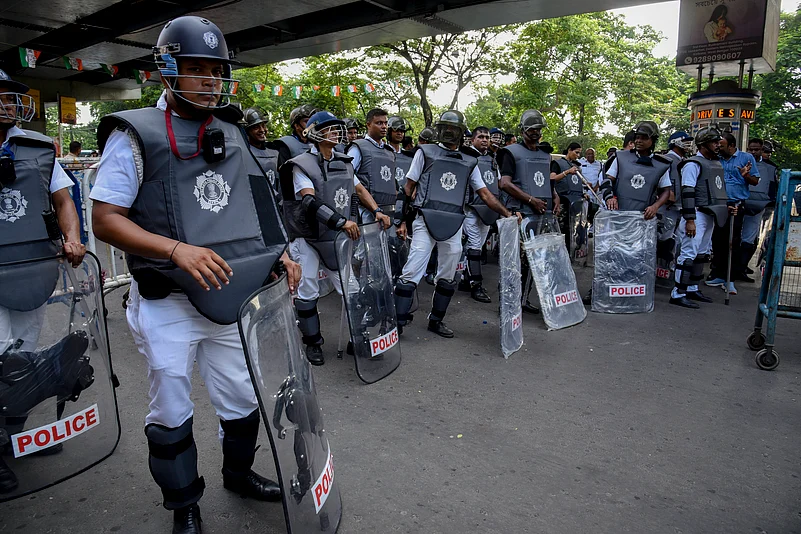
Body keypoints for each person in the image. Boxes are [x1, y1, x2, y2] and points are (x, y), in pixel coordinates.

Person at [90, 17, 302, 533]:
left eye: (216, 70)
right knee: (170, 404)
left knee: (242, 397)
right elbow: (104, 219)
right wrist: (176, 249)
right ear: (167, 70)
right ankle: (183, 503)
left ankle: (237, 473)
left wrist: (281, 256)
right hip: (168, 300)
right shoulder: (135, 134)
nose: (209, 80)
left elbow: (258, 210)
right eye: (196, 69)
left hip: (231, 297)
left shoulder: (231, 131)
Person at [0, 68, 87, 494]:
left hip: (32, 266)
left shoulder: (35, 148)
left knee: (23, 359)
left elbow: (62, 199)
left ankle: (14, 437)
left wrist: (72, 237)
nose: (7, 103)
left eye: (9, 96)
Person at [394, 110, 518, 338]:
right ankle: (397, 323)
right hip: (424, 219)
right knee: (412, 270)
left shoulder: (470, 162)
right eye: (446, 127)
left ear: (461, 132)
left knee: (448, 274)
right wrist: (401, 221)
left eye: (454, 128)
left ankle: (436, 320)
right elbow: (408, 188)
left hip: (454, 222)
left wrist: (506, 213)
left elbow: (485, 194)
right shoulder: (425, 152)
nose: (449, 132)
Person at [283, 111, 391, 365]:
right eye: (329, 128)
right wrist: (342, 222)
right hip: (309, 236)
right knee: (307, 289)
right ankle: (313, 343)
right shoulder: (301, 164)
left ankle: (359, 340)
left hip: (337, 237)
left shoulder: (344, 161)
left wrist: (376, 210)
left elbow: (359, 189)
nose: (336, 132)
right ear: (314, 133)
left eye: (336, 127)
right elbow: (309, 200)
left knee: (351, 289)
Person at [498, 109, 561, 314]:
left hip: (541, 215)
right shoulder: (510, 152)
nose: (535, 132)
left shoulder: (545, 154)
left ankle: (523, 299)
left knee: (535, 262)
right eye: (531, 128)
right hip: (519, 214)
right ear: (524, 129)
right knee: (514, 262)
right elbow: (504, 183)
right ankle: (507, 303)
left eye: (539, 128)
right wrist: (530, 200)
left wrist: (555, 197)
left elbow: (546, 182)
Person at [670, 128, 728, 308]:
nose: (718, 145)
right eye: (714, 142)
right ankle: (678, 293)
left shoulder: (714, 164)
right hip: (696, 213)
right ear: (703, 144)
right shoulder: (692, 164)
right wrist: (690, 219)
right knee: (688, 255)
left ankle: (692, 287)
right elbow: (688, 192)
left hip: (709, 213)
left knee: (701, 255)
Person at [705, 132, 758, 292]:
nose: (719, 148)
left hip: (737, 205)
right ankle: (717, 273)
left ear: (732, 146)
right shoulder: (716, 158)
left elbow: (755, 181)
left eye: (722, 146)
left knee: (733, 241)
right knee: (717, 240)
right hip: (720, 205)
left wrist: (746, 175)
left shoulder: (746, 158)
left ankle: (730, 277)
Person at [460, 126, 502, 303]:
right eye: (481, 137)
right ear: (474, 139)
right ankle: (476, 285)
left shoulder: (492, 159)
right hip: (470, 208)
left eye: (487, 137)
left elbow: (497, 183)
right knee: (475, 245)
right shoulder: (467, 158)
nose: (485, 140)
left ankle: (465, 279)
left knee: (477, 244)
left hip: (488, 210)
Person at [346, 108, 397, 222]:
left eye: (385, 123)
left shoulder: (390, 152)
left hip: (389, 213)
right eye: (379, 123)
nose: (384, 126)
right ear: (368, 125)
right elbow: (347, 176)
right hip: (364, 213)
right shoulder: (358, 148)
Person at [741, 138, 777, 273]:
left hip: (758, 207)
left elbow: (772, 188)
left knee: (750, 238)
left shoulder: (770, 168)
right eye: (751, 149)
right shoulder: (738, 162)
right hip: (738, 205)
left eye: (757, 149)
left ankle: (741, 267)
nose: (753, 152)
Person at [241, 107, 280, 198]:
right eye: (256, 127)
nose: (262, 130)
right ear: (246, 131)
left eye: (263, 126)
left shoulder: (275, 152)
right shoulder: (242, 153)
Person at [553, 142, 584, 250]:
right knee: (562, 230)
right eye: (576, 152)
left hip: (575, 202)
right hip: (562, 201)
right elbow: (552, 178)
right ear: (569, 150)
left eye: (579, 153)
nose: (578, 156)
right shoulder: (558, 163)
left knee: (573, 229)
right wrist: (566, 172)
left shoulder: (576, 166)